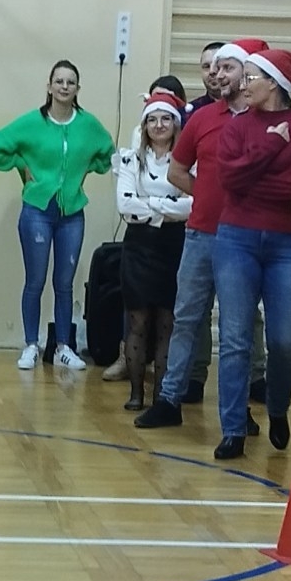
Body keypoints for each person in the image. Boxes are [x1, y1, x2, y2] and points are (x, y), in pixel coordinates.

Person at [135, 39, 270, 431]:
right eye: (215, 68)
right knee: (186, 318)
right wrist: (209, 193)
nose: (217, 74)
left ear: (247, 74)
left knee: (237, 329)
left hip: (245, 239)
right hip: (201, 234)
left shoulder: (266, 122)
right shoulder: (203, 118)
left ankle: (238, 409)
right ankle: (169, 399)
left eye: (227, 68)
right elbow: (177, 171)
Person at [211, 48, 291, 460]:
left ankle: (276, 407)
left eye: (251, 77)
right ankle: (233, 428)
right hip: (235, 239)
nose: (243, 84)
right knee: (235, 339)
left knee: (286, 340)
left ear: (273, 83)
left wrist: (253, 174)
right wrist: (271, 148)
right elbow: (229, 180)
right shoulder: (237, 126)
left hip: (289, 243)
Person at [0, 60, 116, 370]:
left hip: (72, 213)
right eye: (59, 81)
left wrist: (84, 171)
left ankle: (64, 347)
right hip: (37, 212)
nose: (64, 86)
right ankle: (31, 344)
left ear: (78, 88)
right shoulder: (33, 122)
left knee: (64, 282)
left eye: (71, 82)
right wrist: (21, 165)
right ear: (49, 86)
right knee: (36, 280)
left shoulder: (88, 124)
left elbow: (108, 154)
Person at [114, 92, 192, 410]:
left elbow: (194, 205)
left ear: (175, 124)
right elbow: (124, 205)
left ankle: (162, 396)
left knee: (166, 323)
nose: (159, 125)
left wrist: (149, 205)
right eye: (152, 120)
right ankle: (136, 394)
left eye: (166, 119)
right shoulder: (130, 160)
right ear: (144, 126)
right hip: (138, 247)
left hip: (174, 246)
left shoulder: (189, 161)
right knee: (138, 322)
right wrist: (168, 206)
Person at [189, 42, 225, 115]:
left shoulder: (246, 109)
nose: (212, 71)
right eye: (207, 66)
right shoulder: (190, 113)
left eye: (217, 65)